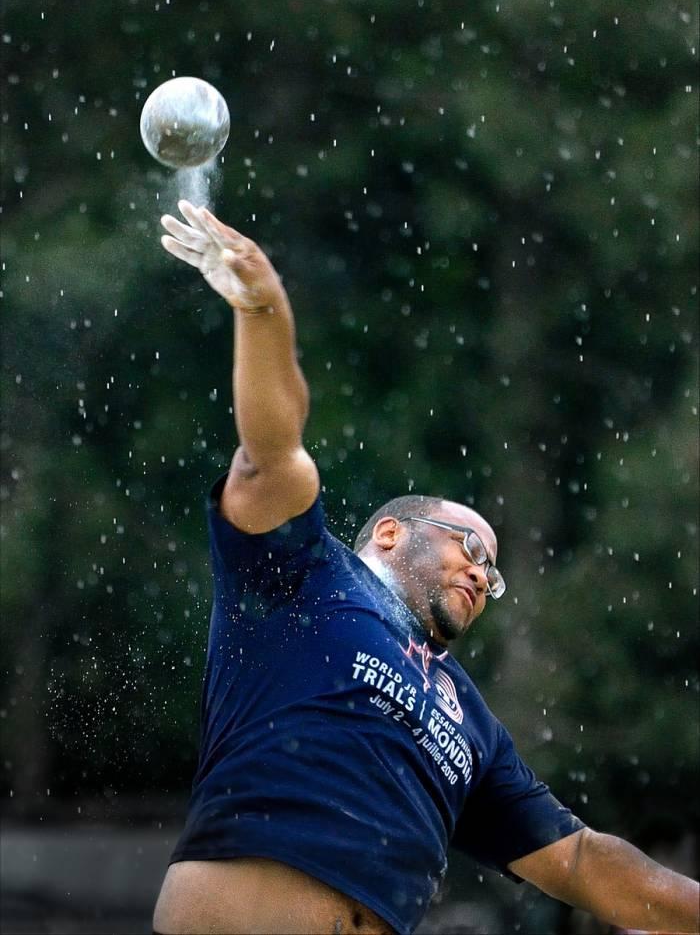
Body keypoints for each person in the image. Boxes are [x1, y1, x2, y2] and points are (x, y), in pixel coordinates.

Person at [152, 200, 699, 935]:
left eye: (492, 574)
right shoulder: (304, 576)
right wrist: (263, 308)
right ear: (388, 533)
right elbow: (271, 454)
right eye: (469, 548)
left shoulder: (470, 721)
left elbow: (580, 863)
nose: (481, 576)